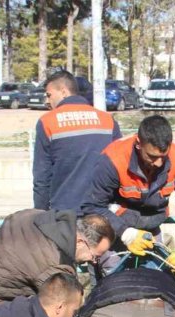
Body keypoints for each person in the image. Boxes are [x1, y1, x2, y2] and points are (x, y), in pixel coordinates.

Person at [83, 115, 175, 274]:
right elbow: (92, 206)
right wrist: (127, 234)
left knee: (155, 281)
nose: (159, 163)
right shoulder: (114, 159)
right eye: (152, 157)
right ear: (138, 144)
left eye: (163, 156)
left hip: (151, 232)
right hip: (113, 232)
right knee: (113, 282)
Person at [0, 209, 114, 317]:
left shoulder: (37, 216)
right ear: (80, 242)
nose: (93, 262)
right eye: (95, 256)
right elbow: (62, 313)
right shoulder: (53, 263)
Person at [33, 70, 121, 211]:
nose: (47, 101)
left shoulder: (47, 122)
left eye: (49, 95)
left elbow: (42, 177)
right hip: (102, 212)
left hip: (65, 213)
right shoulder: (107, 120)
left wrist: (40, 214)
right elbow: (119, 166)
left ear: (63, 92)